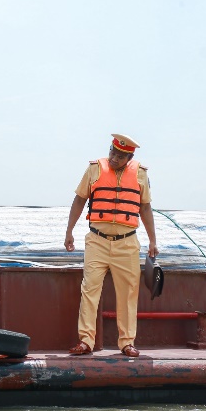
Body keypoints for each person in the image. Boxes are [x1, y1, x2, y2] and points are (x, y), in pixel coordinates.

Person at [64, 133, 158, 358]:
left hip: (127, 243)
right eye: (112, 153)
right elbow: (79, 200)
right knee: (89, 290)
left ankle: (127, 342)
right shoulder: (94, 169)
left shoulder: (141, 174)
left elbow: (145, 208)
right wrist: (69, 231)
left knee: (127, 294)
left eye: (120, 156)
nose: (114, 158)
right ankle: (86, 341)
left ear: (129, 157)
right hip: (97, 240)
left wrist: (153, 240)